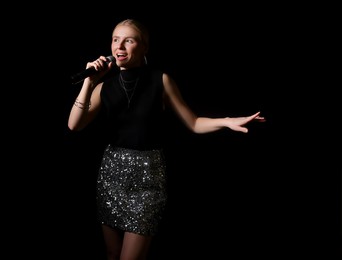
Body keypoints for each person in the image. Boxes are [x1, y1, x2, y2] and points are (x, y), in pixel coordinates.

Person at [67, 18, 266, 260]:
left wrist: (226, 121)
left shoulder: (160, 80)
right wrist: (89, 82)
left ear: (144, 47)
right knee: (112, 253)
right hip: (112, 175)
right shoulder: (103, 88)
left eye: (128, 40)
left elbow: (193, 123)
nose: (119, 46)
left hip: (148, 179)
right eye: (115, 40)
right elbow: (74, 124)